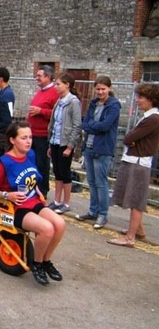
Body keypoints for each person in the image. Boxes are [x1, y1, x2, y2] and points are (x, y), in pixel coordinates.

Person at [0, 121, 66, 285]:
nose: (28, 141)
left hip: (33, 201)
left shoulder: (30, 155)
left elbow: (31, 177)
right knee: (46, 229)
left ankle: (46, 261)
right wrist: (7, 195)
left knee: (60, 224)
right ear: (12, 140)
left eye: (30, 137)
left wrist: (37, 189)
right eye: (24, 138)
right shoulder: (4, 163)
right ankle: (37, 264)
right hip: (15, 208)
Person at [108, 83, 159, 247]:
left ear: (151, 100)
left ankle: (130, 237)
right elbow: (132, 139)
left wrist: (132, 140)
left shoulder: (152, 119)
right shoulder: (148, 117)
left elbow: (129, 138)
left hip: (138, 163)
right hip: (136, 160)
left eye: (141, 97)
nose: (138, 100)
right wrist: (133, 141)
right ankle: (139, 230)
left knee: (136, 201)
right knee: (133, 197)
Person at [75, 76, 121, 229]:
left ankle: (103, 214)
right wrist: (93, 125)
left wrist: (91, 125)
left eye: (103, 89)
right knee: (92, 182)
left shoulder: (114, 105)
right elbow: (84, 123)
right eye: (98, 89)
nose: (100, 92)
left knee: (101, 183)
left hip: (103, 149)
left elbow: (105, 126)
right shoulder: (93, 104)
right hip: (89, 146)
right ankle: (93, 211)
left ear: (109, 88)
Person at [46, 73, 82, 215]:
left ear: (67, 85)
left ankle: (66, 202)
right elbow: (54, 123)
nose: (56, 86)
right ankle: (56, 200)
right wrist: (50, 144)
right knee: (57, 172)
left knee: (65, 173)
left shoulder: (73, 102)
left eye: (58, 84)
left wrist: (70, 146)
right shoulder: (59, 101)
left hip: (65, 143)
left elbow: (76, 125)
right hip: (55, 141)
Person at [27, 65, 60, 199]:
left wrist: (41, 111)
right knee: (32, 162)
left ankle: (43, 190)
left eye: (39, 76)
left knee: (42, 164)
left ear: (48, 77)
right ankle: (33, 188)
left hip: (43, 135)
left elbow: (57, 113)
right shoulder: (40, 91)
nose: (37, 78)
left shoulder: (54, 92)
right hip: (33, 133)